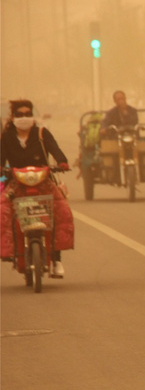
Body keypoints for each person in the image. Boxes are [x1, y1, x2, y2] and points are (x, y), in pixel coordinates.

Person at [0, 99, 74, 277]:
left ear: (32, 115)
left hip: (43, 182)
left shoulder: (41, 133)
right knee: (2, 210)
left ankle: (56, 260)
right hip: (16, 183)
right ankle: (8, 251)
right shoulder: (7, 136)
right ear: (13, 117)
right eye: (20, 115)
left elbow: (55, 149)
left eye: (27, 114)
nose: (24, 117)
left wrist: (62, 162)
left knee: (61, 211)